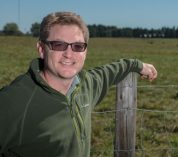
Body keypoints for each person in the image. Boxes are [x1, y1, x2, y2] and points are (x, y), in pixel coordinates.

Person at [0, 11, 157, 157]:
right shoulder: (13, 101)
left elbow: (110, 71)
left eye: (77, 46)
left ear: (85, 52)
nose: (69, 54)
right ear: (41, 49)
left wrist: (138, 65)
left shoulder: (86, 85)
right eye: (59, 45)